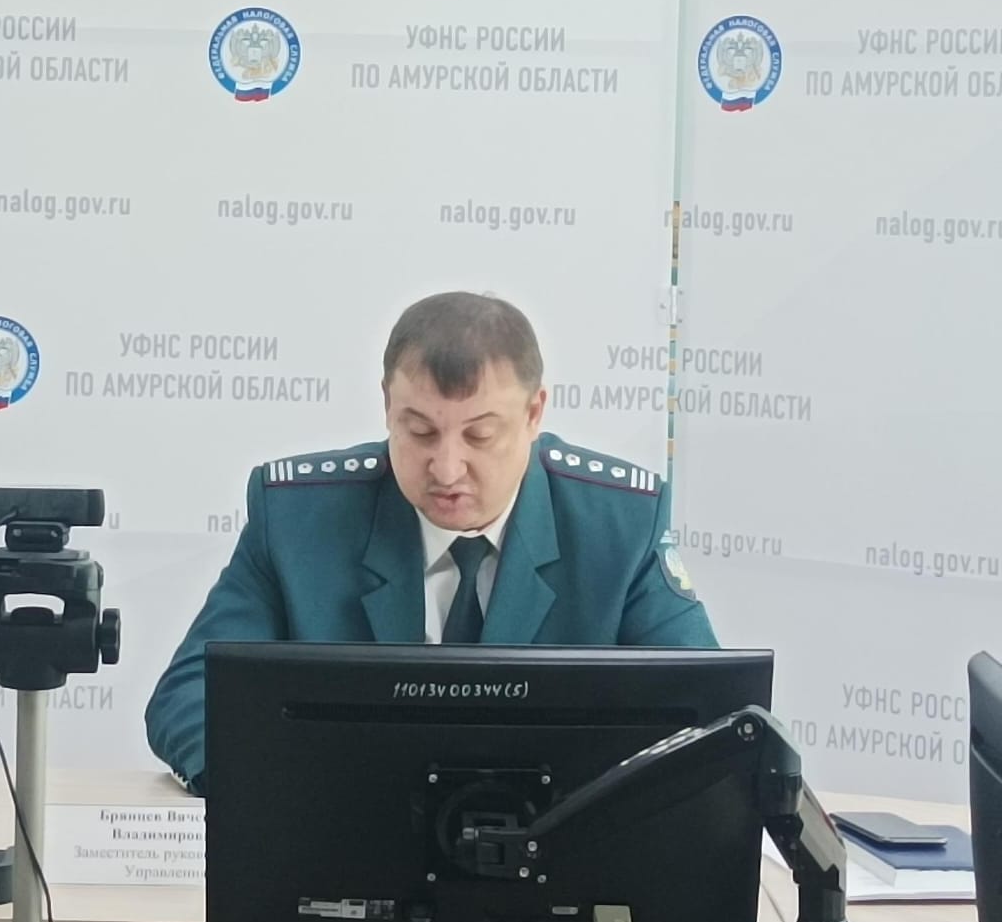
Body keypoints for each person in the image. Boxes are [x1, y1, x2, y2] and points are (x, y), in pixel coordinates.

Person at [145, 291, 716, 794]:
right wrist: (303, 795)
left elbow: (708, 715)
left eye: (479, 435)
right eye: (419, 431)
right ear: (386, 407)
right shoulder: (298, 519)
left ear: (534, 413)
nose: (446, 469)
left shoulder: (618, 526)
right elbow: (191, 699)